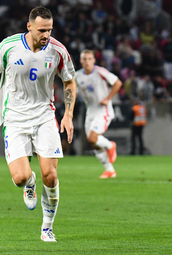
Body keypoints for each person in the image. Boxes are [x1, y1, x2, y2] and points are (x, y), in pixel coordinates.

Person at [0, 6, 77, 242]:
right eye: (42, 30)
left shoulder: (58, 51)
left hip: (45, 115)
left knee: (51, 176)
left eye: (50, 30)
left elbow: (70, 83)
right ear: (29, 26)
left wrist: (68, 115)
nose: (46, 35)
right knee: (20, 177)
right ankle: (29, 182)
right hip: (14, 117)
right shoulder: (7, 47)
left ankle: (47, 228)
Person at [75, 49, 122, 178]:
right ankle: (110, 170)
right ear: (80, 61)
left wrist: (108, 98)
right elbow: (72, 90)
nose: (87, 62)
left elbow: (117, 82)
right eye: (84, 59)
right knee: (94, 142)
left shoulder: (100, 72)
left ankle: (110, 145)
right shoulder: (77, 76)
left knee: (92, 137)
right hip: (90, 111)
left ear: (94, 60)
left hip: (103, 110)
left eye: (89, 59)